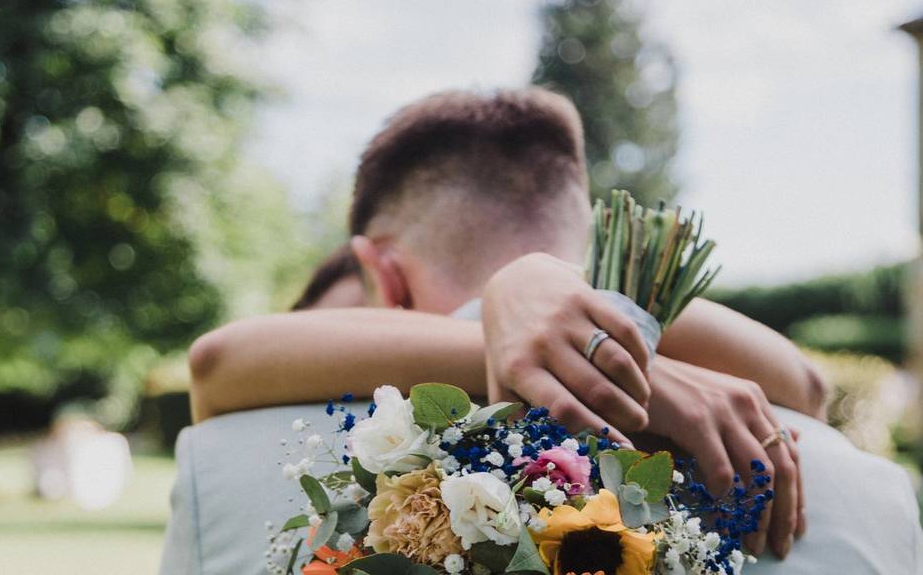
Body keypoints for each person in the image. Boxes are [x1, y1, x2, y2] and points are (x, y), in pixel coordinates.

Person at [161, 88, 922, 574]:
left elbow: (218, 361)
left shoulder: (223, 458)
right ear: (589, 247)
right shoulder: (871, 489)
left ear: (378, 275)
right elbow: (810, 387)